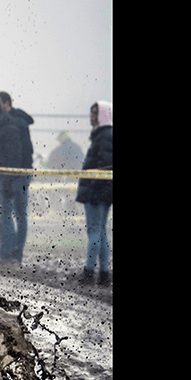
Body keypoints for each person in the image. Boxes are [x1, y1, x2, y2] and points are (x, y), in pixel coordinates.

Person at [0, 97, 31, 265]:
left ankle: (7, 252)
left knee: (5, 215)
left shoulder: (10, 129)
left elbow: (14, 157)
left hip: (5, 178)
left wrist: (10, 180)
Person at [76, 100, 113, 285]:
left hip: (96, 193)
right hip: (102, 193)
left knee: (94, 232)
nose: (91, 116)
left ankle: (89, 272)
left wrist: (92, 189)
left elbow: (101, 168)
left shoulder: (104, 136)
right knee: (101, 232)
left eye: (94, 113)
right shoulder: (104, 135)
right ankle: (104, 273)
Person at [44, 130, 85, 215]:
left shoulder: (62, 149)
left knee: (68, 195)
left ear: (62, 139)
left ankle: (69, 214)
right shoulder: (77, 147)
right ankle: (78, 214)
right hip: (79, 176)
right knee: (75, 196)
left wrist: (46, 164)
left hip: (69, 177)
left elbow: (53, 162)